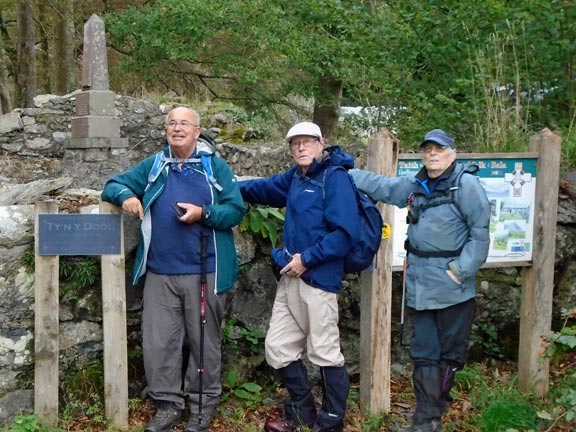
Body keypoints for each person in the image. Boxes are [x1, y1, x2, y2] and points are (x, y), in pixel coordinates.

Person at [101, 106, 246, 432]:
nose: (177, 128)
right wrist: (126, 195)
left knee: (203, 342)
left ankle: (201, 407)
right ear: (165, 130)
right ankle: (167, 405)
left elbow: (236, 209)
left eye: (185, 124)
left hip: (205, 270)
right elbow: (112, 184)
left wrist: (204, 213)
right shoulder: (155, 165)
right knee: (158, 342)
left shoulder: (214, 167)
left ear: (198, 131)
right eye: (172, 123)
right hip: (160, 272)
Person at [350, 129, 490, 432]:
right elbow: (385, 188)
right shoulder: (417, 184)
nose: (432, 154)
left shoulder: (466, 186)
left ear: (452, 153)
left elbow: (480, 235)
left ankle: (429, 418)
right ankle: (425, 420)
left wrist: (460, 271)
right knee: (424, 354)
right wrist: (347, 173)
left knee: (449, 356)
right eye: (427, 149)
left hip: (453, 288)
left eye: (438, 149)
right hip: (420, 285)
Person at [239, 122, 360, 432]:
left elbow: (345, 234)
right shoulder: (296, 177)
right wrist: (226, 184)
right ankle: (302, 413)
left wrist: (306, 260)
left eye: (307, 142)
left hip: (319, 279)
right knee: (278, 347)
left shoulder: (335, 179)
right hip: (291, 276)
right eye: (295, 143)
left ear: (322, 144)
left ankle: (331, 421)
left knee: (325, 352)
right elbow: (262, 189)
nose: (301, 148)